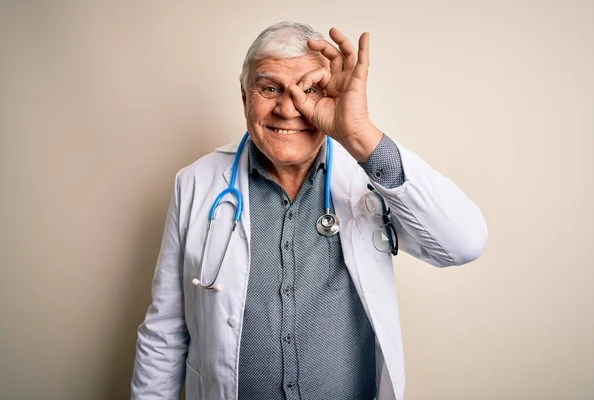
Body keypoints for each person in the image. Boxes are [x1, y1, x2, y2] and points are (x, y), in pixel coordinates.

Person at [131, 21, 488, 400]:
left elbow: (463, 243)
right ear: (244, 97)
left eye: (310, 90)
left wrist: (359, 133)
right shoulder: (195, 184)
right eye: (269, 88)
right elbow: (165, 332)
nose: (288, 108)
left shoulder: (368, 175)